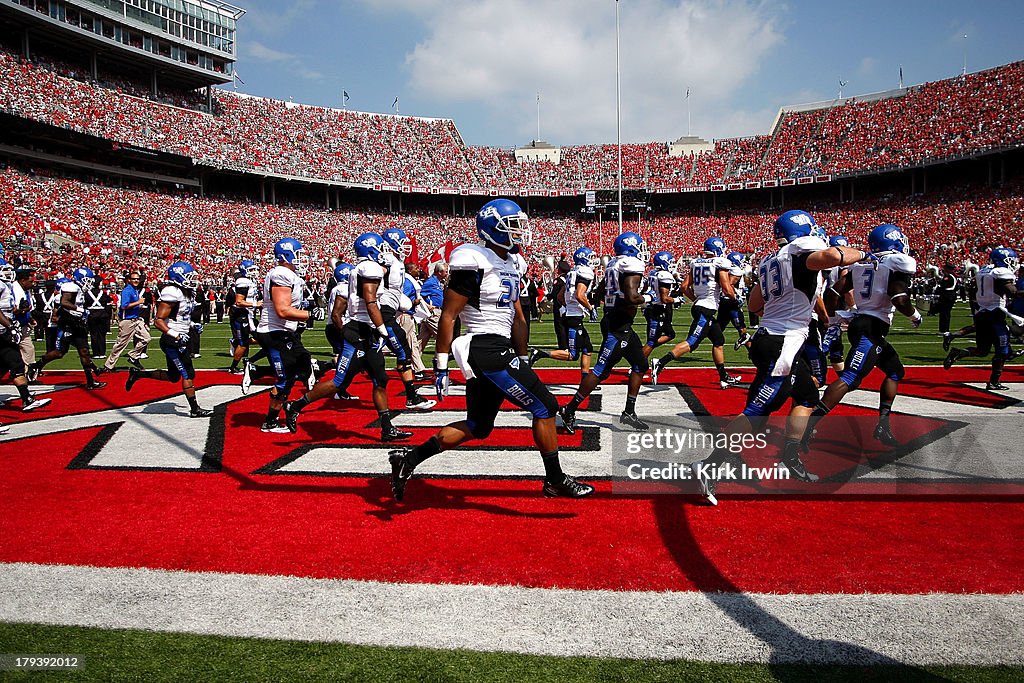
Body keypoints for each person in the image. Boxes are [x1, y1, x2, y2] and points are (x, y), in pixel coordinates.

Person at [388, 198, 593, 500]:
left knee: (478, 426)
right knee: (546, 407)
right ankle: (555, 479)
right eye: (512, 226)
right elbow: (448, 314)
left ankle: (408, 460)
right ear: (491, 228)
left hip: (499, 347)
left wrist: (523, 356)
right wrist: (441, 364)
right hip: (484, 347)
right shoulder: (474, 260)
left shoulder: (512, 262)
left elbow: (518, 317)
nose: (520, 231)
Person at [690, 210, 870, 505]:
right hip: (782, 344)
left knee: (808, 397)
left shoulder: (770, 261)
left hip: (769, 337)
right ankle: (709, 464)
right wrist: (865, 253)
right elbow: (835, 257)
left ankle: (789, 455)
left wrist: (784, 306)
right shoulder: (803, 257)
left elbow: (755, 303)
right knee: (757, 414)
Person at [283, 233, 414, 442]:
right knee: (338, 381)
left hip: (367, 330)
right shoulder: (368, 268)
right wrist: (381, 327)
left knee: (380, 380)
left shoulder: (360, 269)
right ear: (371, 250)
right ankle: (296, 405)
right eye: (380, 248)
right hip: (360, 331)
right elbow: (371, 302)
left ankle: (387, 427)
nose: (383, 251)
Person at [804, 224, 923, 452]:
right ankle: (809, 425)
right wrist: (914, 315)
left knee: (895, 371)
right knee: (850, 378)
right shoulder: (894, 263)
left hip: (865, 324)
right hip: (870, 328)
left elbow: (834, 292)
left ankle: (883, 425)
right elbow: (899, 298)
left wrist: (831, 318)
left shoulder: (861, 265)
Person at [559, 231, 653, 434]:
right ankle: (569, 408)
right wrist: (648, 298)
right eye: (639, 246)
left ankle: (629, 411)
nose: (641, 250)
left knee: (640, 364)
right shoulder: (630, 264)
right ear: (631, 247)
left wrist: (602, 304)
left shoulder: (612, 264)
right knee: (600, 371)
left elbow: (599, 292)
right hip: (618, 326)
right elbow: (631, 296)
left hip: (618, 322)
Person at [650, 237, 742, 389]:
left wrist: (696, 299)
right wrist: (735, 297)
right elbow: (726, 287)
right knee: (692, 343)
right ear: (718, 249)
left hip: (702, 306)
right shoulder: (720, 263)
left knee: (718, 341)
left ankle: (724, 377)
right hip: (706, 309)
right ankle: (660, 363)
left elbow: (685, 286)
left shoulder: (696, 262)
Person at [124, 262, 213, 418]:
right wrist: (176, 334)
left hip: (180, 336)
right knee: (187, 374)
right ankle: (194, 409)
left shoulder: (185, 292)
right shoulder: (172, 292)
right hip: (172, 341)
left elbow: (179, 316)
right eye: (189, 277)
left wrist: (192, 325)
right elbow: (158, 320)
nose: (192, 280)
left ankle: (138, 374)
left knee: (173, 377)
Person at [251, 238, 318, 433]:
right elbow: (282, 309)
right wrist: (310, 315)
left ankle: (257, 371)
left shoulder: (290, 274)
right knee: (285, 378)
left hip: (284, 331)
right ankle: (270, 422)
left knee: (303, 363)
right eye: (298, 254)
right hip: (274, 332)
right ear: (286, 255)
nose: (302, 258)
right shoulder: (281, 273)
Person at [944, 247, 1022, 390]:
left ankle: (958, 353)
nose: (1013, 263)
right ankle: (993, 382)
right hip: (995, 314)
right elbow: (1013, 292)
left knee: (982, 350)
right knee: (1002, 352)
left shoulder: (984, 270)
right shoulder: (1001, 272)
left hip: (982, 312)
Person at [377, 228, 435, 411]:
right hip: (382, 313)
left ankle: (411, 397)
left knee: (400, 353)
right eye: (402, 243)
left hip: (390, 312)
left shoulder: (396, 262)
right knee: (402, 352)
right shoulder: (384, 261)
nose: (405, 247)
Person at [28, 267, 107, 390]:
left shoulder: (79, 289)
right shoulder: (70, 286)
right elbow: (64, 302)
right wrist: (81, 310)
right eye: (87, 280)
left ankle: (90, 381)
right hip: (67, 324)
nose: (89, 282)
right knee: (59, 353)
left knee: (84, 351)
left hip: (78, 324)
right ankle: (36, 365)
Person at [530, 246, 598, 381]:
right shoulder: (585, 272)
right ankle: (541, 353)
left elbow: (561, 296)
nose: (592, 260)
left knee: (587, 348)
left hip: (571, 314)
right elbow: (579, 295)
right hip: (574, 318)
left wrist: (570, 306)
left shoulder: (572, 272)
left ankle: (585, 380)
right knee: (573, 355)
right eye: (590, 257)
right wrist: (590, 308)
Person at [0, 259, 51, 415]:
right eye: (4, 269)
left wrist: (21, 312)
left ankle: (27, 399)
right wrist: (11, 326)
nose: (9, 272)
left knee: (9, 364)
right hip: (3, 331)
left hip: (4, 332)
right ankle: (27, 399)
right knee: (15, 362)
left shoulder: (7, 286)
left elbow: (8, 309)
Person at [103, 271, 151, 372]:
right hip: (127, 321)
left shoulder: (135, 290)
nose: (136, 281)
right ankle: (109, 365)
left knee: (146, 338)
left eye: (138, 279)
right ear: (129, 280)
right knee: (121, 344)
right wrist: (138, 302)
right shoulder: (127, 291)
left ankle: (133, 356)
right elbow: (124, 306)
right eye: (134, 279)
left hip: (136, 319)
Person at [641, 250, 681, 358]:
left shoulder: (652, 273)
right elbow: (665, 299)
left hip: (652, 307)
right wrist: (677, 300)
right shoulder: (664, 275)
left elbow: (645, 289)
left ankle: (640, 354)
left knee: (670, 334)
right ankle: (637, 363)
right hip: (658, 309)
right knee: (652, 341)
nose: (671, 264)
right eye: (670, 262)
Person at [228, 260, 261, 374]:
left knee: (262, 338)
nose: (254, 272)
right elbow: (239, 302)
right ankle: (233, 367)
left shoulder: (250, 281)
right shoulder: (242, 281)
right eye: (251, 270)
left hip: (250, 314)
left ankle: (236, 343)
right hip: (241, 315)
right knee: (243, 344)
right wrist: (256, 304)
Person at [720, 252, 753, 351]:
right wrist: (737, 296)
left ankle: (753, 352)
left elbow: (729, 285)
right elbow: (729, 285)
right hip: (730, 302)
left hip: (730, 302)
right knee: (741, 330)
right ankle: (753, 352)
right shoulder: (735, 271)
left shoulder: (733, 270)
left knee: (741, 330)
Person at [417, 261, 448, 363]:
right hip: (433, 313)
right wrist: (427, 306)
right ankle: (438, 361)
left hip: (435, 312)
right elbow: (419, 295)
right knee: (442, 337)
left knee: (422, 340)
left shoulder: (438, 282)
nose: (447, 273)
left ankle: (413, 363)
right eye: (446, 271)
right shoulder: (430, 282)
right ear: (440, 272)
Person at [11, 266, 38, 368]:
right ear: (23, 281)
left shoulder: (25, 291)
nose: (32, 284)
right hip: (13, 325)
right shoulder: (13, 290)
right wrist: (23, 310)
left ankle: (29, 373)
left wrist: (29, 317)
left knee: (28, 349)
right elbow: (12, 310)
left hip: (23, 324)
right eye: (30, 281)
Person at [932, 263, 959, 336]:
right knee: (943, 313)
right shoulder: (950, 276)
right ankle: (942, 329)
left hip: (948, 296)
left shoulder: (949, 277)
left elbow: (944, 285)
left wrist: (939, 287)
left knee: (945, 313)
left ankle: (945, 330)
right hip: (947, 296)